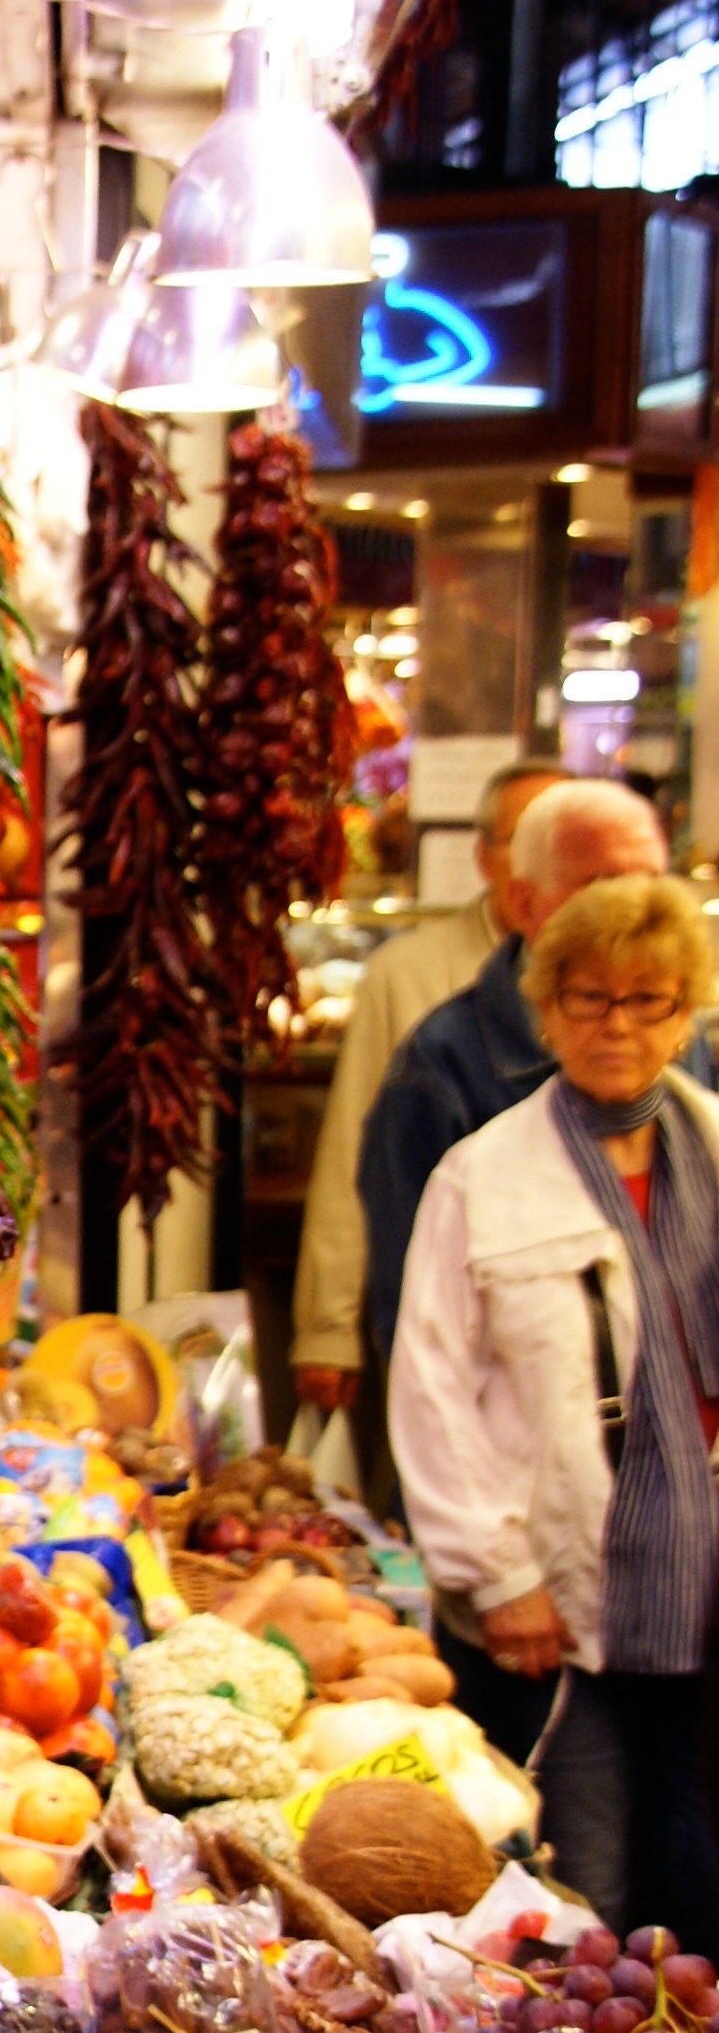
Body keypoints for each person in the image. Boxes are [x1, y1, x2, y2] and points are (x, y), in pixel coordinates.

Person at [389, 875, 719, 1950]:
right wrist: (498, 1572)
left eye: (647, 999)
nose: (618, 1024)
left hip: (704, 1586)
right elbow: (432, 1387)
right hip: (560, 1603)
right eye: (590, 997)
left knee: (701, 1867)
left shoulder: (715, 1147)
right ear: (548, 1008)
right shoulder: (482, 1176)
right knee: (585, 1887)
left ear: (686, 1013)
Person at [359, 777, 682, 1365]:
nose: (635, 911)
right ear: (526, 904)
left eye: (650, 883)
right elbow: (421, 1335)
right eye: (602, 884)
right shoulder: (442, 1065)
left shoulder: (687, 1043)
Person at [291, 756, 558, 1419]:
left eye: (561, 840)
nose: (542, 862)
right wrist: (328, 1329)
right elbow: (351, 1152)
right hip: (434, 1324)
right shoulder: (407, 973)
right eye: (523, 839)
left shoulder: (618, 991)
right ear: (484, 858)